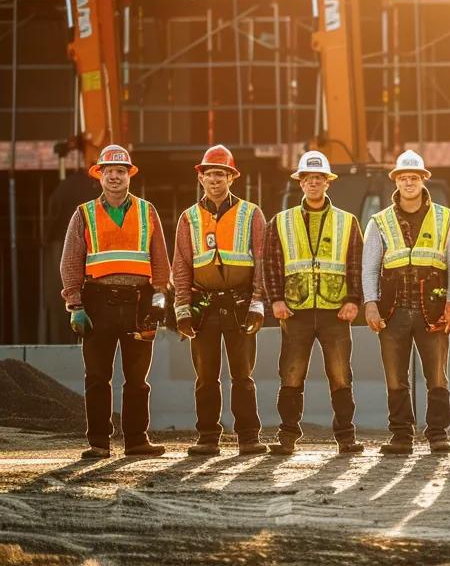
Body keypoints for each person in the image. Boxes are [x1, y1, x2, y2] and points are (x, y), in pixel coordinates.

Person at [59, 145, 172, 459]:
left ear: (129, 175)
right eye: (108, 171)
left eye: (120, 171)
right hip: (98, 304)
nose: (114, 176)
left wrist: (160, 296)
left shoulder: (147, 211)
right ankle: (98, 443)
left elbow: (160, 259)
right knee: (97, 377)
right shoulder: (84, 214)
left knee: (137, 380)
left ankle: (136, 441)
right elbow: (71, 262)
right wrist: (75, 305)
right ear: (99, 175)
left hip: (139, 304)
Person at [173, 145, 270, 456]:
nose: (214, 179)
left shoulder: (251, 213)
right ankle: (207, 438)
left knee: (243, 376)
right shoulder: (189, 218)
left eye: (220, 174)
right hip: (204, 307)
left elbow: (262, 260)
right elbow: (181, 265)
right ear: (201, 178)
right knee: (205, 377)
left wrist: (258, 302)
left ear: (231, 178)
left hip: (240, 304)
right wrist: (182, 308)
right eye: (209, 174)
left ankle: (248, 438)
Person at [266, 150, 364, 455]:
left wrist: (354, 300)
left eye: (318, 178)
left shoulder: (346, 222)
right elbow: (271, 263)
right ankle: (287, 437)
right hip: (295, 310)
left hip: (335, 311)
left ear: (327, 182)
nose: (313, 183)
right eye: (308, 178)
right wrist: (276, 300)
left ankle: (346, 438)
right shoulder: (281, 221)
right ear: (300, 182)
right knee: (291, 374)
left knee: (341, 376)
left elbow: (356, 263)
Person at [363, 150, 450, 455]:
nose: (409, 182)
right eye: (403, 177)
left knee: (437, 377)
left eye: (414, 177)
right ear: (396, 181)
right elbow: (369, 268)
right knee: (395, 378)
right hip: (392, 311)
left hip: (433, 311)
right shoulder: (379, 221)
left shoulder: (445, 218)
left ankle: (438, 434)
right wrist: (370, 303)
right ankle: (401, 436)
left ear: (423, 180)